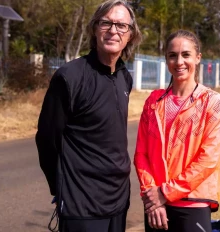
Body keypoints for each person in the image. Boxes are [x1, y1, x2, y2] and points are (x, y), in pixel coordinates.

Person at [35, 1, 142, 231]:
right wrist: (60, 187)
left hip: (119, 201)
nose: (114, 30)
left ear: (130, 35)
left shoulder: (125, 77)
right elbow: (46, 140)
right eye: (106, 23)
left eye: (122, 25)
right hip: (81, 205)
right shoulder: (69, 77)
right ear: (95, 28)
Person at [134, 30, 220, 232]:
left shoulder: (212, 103)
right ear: (166, 59)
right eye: (172, 55)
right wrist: (151, 194)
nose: (179, 62)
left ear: (198, 58)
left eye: (186, 55)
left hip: (192, 203)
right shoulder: (153, 102)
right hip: (156, 205)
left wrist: (166, 192)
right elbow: (141, 154)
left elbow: (208, 159)